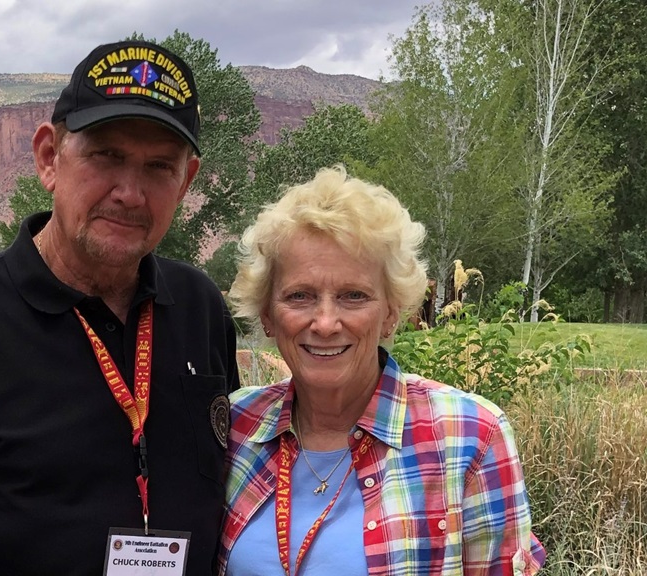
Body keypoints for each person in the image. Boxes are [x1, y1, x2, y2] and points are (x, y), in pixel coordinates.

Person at [0, 39, 240, 576]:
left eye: (158, 166)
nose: (130, 192)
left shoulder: (200, 308)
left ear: (186, 181)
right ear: (49, 157)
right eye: (107, 156)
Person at [218, 166, 545, 575]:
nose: (324, 322)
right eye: (299, 296)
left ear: (391, 312)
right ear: (268, 314)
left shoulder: (469, 436)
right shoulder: (234, 426)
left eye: (353, 296)